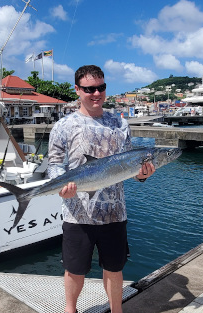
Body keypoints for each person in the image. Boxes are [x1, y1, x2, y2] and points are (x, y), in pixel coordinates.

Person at [47, 65, 155, 313]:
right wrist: (62, 185)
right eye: (89, 89)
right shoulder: (64, 125)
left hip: (115, 213)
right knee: (74, 270)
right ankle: (70, 310)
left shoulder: (120, 123)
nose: (96, 93)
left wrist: (141, 176)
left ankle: (116, 311)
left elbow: (130, 165)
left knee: (115, 269)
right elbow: (54, 163)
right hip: (77, 213)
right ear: (77, 90)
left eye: (101, 87)